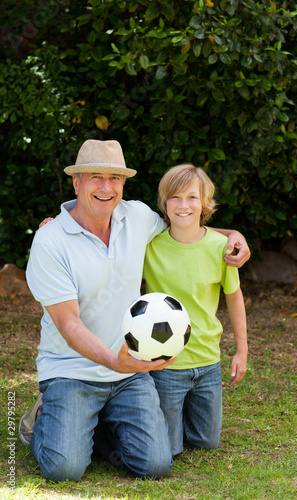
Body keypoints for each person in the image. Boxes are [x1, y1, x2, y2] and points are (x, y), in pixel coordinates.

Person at [19, 139, 250, 482]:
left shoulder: (137, 216)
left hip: (129, 373)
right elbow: (69, 325)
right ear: (76, 182)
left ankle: (89, 426)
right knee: (64, 469)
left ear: (123, 184)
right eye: (95, 176)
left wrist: (232, 234)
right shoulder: (51, 242)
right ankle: (45, 419)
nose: (105, 187)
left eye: (114, 178)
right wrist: (114, 361)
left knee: (156, 465)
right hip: (72, 370)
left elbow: (184, 226)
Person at [143, 164, 248, 457]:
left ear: (204, 203)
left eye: (192, 197)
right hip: (167, 364)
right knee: (171, 450)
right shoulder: (149, 247)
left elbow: (235, 298)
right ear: (164, 204)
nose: (183, 205)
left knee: (206, 442)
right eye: (175, 197)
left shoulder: (221, 248)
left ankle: (183, 413)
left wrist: (241, 351)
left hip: (208, 363)